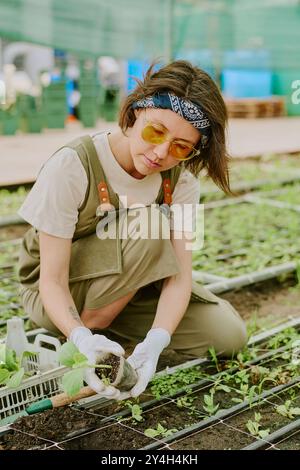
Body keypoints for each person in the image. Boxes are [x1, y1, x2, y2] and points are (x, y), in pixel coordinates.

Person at [17, 60, 247, 401]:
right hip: (61, 297)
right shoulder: (73, 164)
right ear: (135, 112)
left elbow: (180, 276)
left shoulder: (181, 183)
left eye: (181, 147)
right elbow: (51, 281)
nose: (160, 153)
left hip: (133, 290)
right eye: (156, 132)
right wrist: (81, 338)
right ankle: (92, 334)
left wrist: (157, 340)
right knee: (153, 222)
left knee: (229, 334)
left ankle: (116, 335)